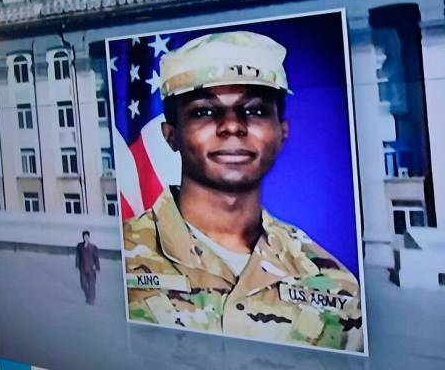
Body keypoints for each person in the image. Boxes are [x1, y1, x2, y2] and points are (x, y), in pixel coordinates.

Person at [123, 31, 363, 351]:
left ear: (282, 132)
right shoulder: (120, 258)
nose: (232, 125)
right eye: (205, 111)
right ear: (171, 135)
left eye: (254, 109)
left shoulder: (335, 284)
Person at [75, 230, 99, 305]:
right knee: (83, 284)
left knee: (91, 285)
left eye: (87, 236)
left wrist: (97, 266)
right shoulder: (79, 246)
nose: (86, 238)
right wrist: (77, 265)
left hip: (91, 268)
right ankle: (88, 296)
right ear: (82, 237)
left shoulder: (93, 247)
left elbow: (96, 257)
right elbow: (78, 256)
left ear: (89, 237)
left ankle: (91, 300)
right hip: (82, 268)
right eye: (84, 236)